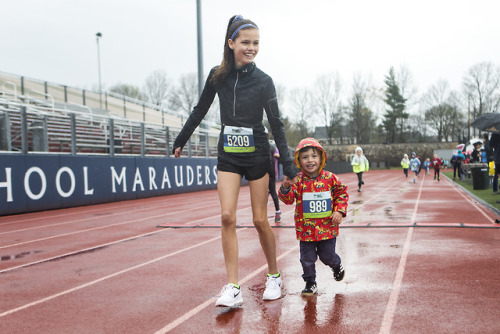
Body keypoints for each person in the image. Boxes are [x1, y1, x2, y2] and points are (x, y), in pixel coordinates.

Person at [172, 15, 297, 307]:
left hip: (256, 154)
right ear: (231, 43)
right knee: (227, 216)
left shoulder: (264, 81)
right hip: (228, 153)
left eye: (256, 43)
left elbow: (276, 125)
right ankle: (232, 287)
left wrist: (289, 166)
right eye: (245, 42)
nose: (251, 47)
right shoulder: (218, 76)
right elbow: (200, 109)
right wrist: (181, 138)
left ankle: (274, 276)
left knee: (259, 219)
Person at [278, 138, 349, 295]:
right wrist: (285, 187)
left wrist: (339, 211)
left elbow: (342, 193)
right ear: (299, 161)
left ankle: (336, 265)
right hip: (306, 231)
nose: (310, 160)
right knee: (307, 259)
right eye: (305, 157)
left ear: (321, 158)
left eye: (314, 156)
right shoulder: (297, 181)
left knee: (327, 256)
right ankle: (310, 282)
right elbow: (288, 200)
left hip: (327, 229)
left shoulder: (331, 178)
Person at [267, 135, 281, 224]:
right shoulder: (258, 147)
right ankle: (262, 213)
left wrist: (278, 156)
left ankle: (278, 211)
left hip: (271, 173)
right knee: (263, 194)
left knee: (272, 192)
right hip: (261, 174)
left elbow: (280, 157)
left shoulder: (272, 147)